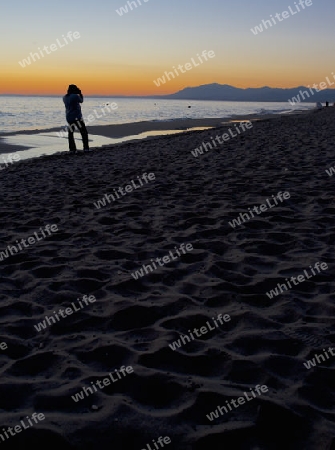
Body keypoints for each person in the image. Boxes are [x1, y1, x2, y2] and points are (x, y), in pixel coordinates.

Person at [63, 84, 90, 152]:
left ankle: (72, 149)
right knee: (83, 132)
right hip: (77, 118)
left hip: (69, 117)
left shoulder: (65, 97)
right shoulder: (75, 96)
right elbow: (81, 101)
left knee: (71, 133)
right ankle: (86, 148)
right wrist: (80, 93)